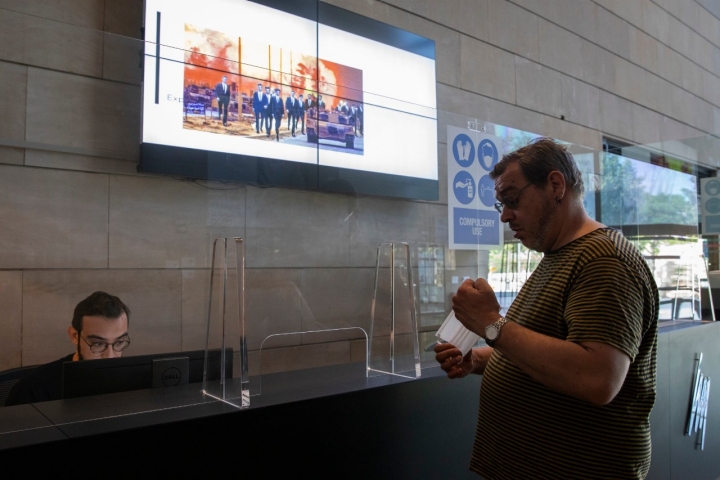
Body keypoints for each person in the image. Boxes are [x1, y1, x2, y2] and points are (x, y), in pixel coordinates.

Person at [435, 138, 659, 480]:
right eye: (501, 205)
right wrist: (477, 358)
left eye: (512, 200)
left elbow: (598, 378)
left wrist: (490, 323)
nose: (506, 216)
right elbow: (545, 348)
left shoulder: (604, 259)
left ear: (555, 186)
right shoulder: (560, 255)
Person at [6, 291, 131, 406]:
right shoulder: (33, 389)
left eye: (119, 342)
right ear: (74, 336)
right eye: (98, 344)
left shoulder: (137, 383)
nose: (110, 356)